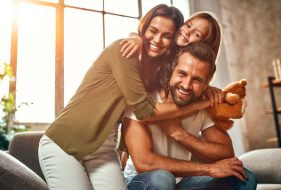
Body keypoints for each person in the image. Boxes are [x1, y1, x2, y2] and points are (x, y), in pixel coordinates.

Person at [38, 4, 214, 190]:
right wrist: (198, 105)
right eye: (152, 31)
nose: (157, 39)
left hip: (102, 151)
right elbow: (144, 111)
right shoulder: (124, 51)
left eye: (167, 36)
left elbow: (129, 109)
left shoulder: (157, 70)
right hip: (64, 143)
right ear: (144, 27)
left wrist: (123, 148)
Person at [122, 43, 257, 190]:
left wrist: (179, 133)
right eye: (182, 74)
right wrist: (208, 169)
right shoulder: (142, 101)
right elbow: (144, 163)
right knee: (163, 179)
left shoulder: (203, 105)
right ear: (172, 70)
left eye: (197, 80)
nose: (186, 85)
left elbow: (225, 153)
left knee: (243, 178)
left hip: (183, 181)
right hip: (142, 180)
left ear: (206, 84)